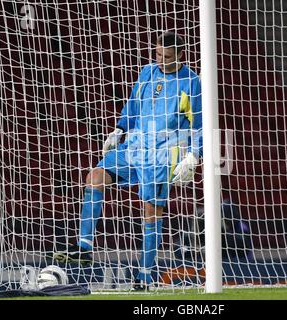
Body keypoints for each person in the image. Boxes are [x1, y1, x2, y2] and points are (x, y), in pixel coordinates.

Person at [54, 31, 202, 291]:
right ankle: (84, 248)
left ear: (180, 55)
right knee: (95, 177)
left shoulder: (191, 82)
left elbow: (198, 124)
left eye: (165, 56)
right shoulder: (147, 73)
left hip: (162, 154)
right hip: (133, 146)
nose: (159, 59)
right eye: (156, 53)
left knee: (150, 212)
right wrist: (120, 129)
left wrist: (194, 154)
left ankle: (144, 276)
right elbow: (133, 106)